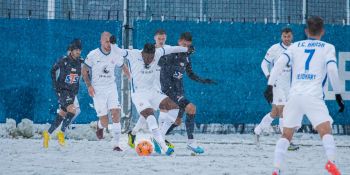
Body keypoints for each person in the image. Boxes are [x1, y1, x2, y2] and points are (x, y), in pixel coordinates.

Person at [264, 16, 345, 175]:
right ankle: (331, 163)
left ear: (306, 31)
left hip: (294, 97)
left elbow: (279, 64)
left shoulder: (295, 47)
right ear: (323, 31)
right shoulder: (327, 47)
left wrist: (269, 86)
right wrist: (337, 94)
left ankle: (276, 168)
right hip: (313, 96)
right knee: (325, 130)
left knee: (286, 134)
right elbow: (333, 71)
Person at [118, 42, 191, 155]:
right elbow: (119, 51)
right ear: (143, 53)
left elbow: (172, 49)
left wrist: (185, 49)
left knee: (173, 108)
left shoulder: (159, 53)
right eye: (147, 57)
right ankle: (163, 147)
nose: (150, 60)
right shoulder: (134, 54)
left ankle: (137, 134)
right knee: (150, 116)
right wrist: (111, 45)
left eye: (152, 57)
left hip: (154, 91)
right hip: (139, 94)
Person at [158, 32, 216, 154]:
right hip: (169, 90)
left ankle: (158, 138)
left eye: (187, 45)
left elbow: (190, 74)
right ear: (179, 42)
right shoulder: (170, 52)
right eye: (183, 44)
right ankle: (190, 143)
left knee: (177, 121)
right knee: (191, 108)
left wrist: (203, 80)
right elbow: (160, 65)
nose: (185, 47)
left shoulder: (187, 57)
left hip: (179, 91)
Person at [82, 32, 130, 151]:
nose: (109, 44)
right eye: (106, 41)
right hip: (98, 90)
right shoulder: (93, 54)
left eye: (110, 41)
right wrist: (89, 86)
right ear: (101, 41)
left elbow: (123, 66)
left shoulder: (115, 54)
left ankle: (116, 144)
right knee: (105, 121)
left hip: (111, 88)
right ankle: (99, 126)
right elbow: (84, 71)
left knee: (116, 113)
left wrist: (131, 78)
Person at [254, 28, 299, 151]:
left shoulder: (296, 48)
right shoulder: (274, 49)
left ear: (292, 37)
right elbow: (263, 64)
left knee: (275, 113)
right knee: (284, 111)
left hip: (290, 86)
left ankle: (257, 130)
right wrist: (269, 76)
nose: (286, 39)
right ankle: (286, 142)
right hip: (277, 84)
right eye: (284, 36)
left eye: (288, 36)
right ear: (281, 37)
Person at [43, 38, 83, 148]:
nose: (78, 52)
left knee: (62, 114)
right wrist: (56, 88)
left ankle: (48, 134)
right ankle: (62, 132)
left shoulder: (80, 62)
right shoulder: (64, 61)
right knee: (73, 110)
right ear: (71, 50)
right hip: (64, 91)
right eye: (76, 50)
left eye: (79, 50)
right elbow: (52, 71)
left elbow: (86, 69)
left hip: (72, 93)